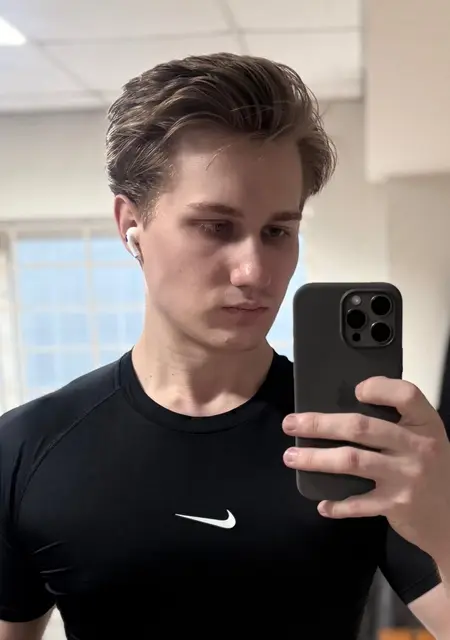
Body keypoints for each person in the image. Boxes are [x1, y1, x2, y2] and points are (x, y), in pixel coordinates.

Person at [0, 53, 449, 640]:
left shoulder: (358, 441)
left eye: (278, 231)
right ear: (130, 225)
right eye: (216, 226)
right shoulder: (26, 448)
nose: (254, 271)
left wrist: (444, 526)